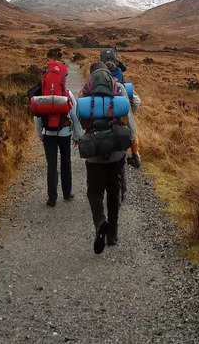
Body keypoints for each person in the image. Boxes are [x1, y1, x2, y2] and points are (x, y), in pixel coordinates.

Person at [79, 62, 137, 253]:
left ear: (92, 75)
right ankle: (112, 235)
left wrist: (82, 137)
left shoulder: (86, 90)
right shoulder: (119, 87)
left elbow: (80, 118)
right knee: (114, 192)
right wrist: (133, 145)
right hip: (116, 151)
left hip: (94, 152)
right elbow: (129, 117)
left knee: (94, 192)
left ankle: (100, 222)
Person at [34, 62, 83, 207]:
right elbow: (75, 116)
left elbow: (37, 117)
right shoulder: (67, 94)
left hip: (48, 133)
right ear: (63, 79)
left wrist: (40, 135)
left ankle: (52, 198)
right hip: (64, 133)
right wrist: (76, 135)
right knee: (66, 162)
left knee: (51, 165)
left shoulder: (41, 95)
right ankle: (67, 193)